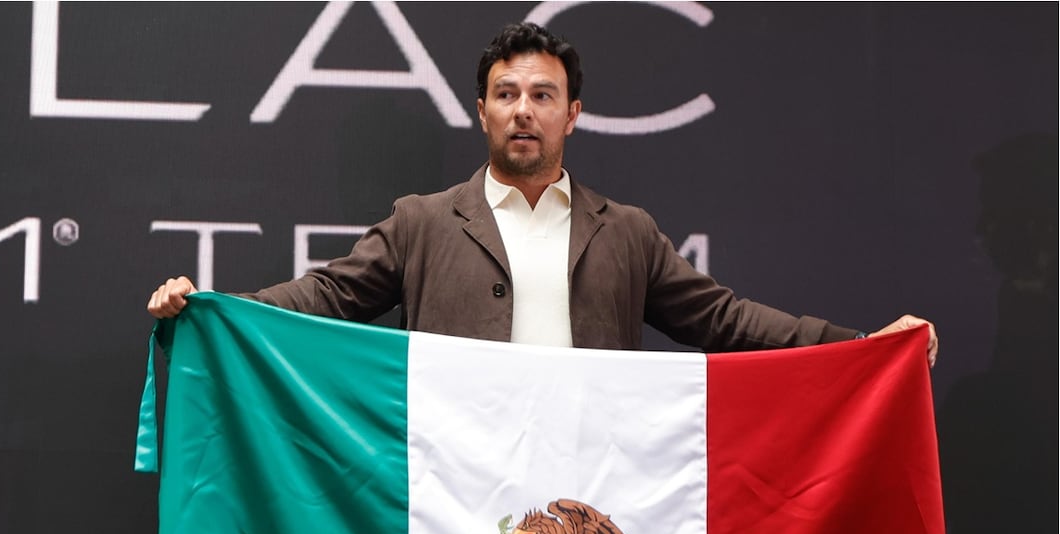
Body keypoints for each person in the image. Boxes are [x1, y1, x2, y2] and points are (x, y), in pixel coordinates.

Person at [148, 22, 938, 366]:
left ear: (573, 114)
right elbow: (324, 297)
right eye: (506, 94)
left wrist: (861, 346)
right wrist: (212, 308)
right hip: (453, 490)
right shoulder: (422, 223)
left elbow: (726, 321)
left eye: (542, 95)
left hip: (587, 485)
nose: (523, 109)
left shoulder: (626, 233)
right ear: (481, 111)